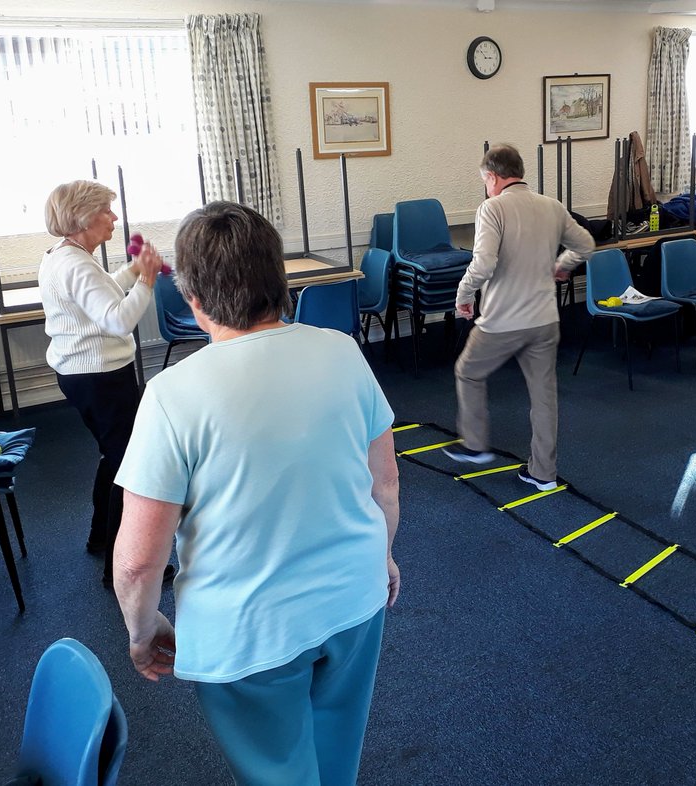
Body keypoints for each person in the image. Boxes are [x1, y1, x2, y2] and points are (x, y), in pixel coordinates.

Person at [112, 202, 401, 786]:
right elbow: (386, 486)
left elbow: (140, 563)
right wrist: (384, 554)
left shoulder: (171, 395)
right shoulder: (344, 351)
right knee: (335, 754)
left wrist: (143, 633)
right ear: (280, 277)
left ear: (192, 298)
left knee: (280, 773)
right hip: (355, 596)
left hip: (250, 630)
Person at [443, 144, 595, 490]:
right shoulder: (551, 206)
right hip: (544, 319)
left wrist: (463, 296)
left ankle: (475, 444)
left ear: (493, 177)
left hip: (503, 320)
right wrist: (562, 265)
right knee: (543, 396)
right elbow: (585, 244)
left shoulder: (492, 208)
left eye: (485, 180)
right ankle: (543, 473)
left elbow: (483, 263)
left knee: (468, 371)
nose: (486, 186)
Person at [38, 180, 166, 588]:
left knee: (112, 458)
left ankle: (99, 538)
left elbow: (100, 292)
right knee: (126, 466)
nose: (114, 218)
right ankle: (119, 567)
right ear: (83, 217)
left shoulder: (66, 255)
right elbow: (118, 319)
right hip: (100, 378)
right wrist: (146, 281)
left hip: (86, 375)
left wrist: (131, 271)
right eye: (106, 211)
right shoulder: (74, 263)